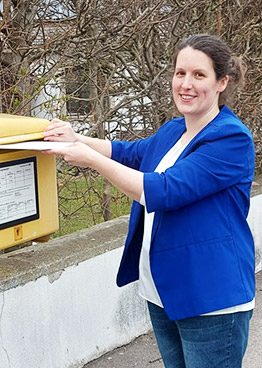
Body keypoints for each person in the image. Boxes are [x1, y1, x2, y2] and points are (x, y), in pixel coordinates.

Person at [43, 34, 255, 368]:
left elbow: (163, 190)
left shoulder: (231, 138)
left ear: (221, 82)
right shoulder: (175, 130)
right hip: (162, 290)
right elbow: (130, 153)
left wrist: (88, 158)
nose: (185, 84)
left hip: (209, 297)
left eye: (199, 75)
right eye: (180, 73)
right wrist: (76, 137)